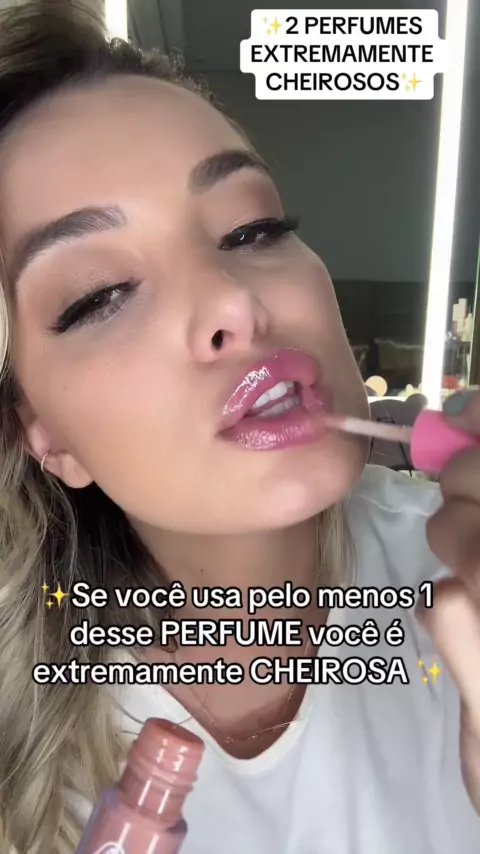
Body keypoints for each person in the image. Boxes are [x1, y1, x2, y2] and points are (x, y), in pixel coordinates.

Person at [0, 3, 479, 853]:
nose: (233, 300)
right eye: (99, 295)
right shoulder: (21, 729)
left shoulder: (455, 573)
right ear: (45, 435)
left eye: (251, 229)